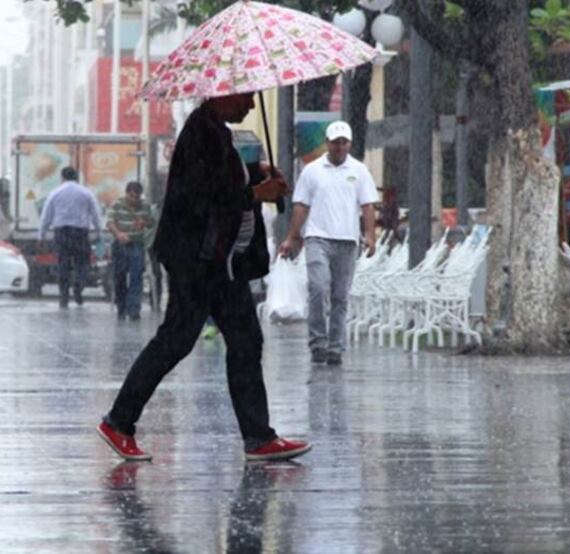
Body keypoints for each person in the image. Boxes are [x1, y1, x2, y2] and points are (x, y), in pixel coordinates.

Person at [97, 92, 310, 463]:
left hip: (223, 263)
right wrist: (256, 193)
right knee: (176, 339)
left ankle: (259, 436)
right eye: (245, 97)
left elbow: (224, 179)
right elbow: (203, 195)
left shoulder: (219, 132)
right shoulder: (200, 132)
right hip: (196, 260)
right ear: (223, 94)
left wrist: (258, 174)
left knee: (245, 341)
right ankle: (119, 421)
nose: (250, 106)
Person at [278, 120, 378, 366]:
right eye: (335, 143)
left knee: (340, 296)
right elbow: (302, 206)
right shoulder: (312, 171)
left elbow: (367, 206)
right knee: (318, 288)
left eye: (344, 143)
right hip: (318, 238)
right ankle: (318, 342)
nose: (339, 147)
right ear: (327, 143)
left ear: (350, 144)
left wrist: (370, 235)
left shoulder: (359, 171)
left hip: (347, 239)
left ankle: (335, 345)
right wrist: (292, 236)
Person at [38, 166, 102, 308]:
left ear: (62, 177)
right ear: (76, 177)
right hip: (80, 233)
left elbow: (46, 216)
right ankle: (78, 287)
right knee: (83, 264)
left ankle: (64, 297)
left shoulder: (55, 193)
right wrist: (99, 231)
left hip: (62, 233)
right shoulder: (86, 193)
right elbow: (95, 214)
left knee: (63, 265)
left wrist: (41, 236)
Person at [107, 181, 155, 320]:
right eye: (131, 196)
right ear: (126, 193)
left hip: (137, 244)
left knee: (136, 276)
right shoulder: (117, 204)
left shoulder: (145, 206)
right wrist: (119, 234)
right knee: (119, 276)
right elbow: (110, 222)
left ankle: (134, 309)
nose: (134, 200)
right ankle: (121, 306)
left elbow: (151, 222)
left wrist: (144, 222)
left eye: (137, 197)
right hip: (120, 244)